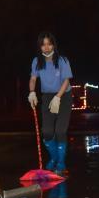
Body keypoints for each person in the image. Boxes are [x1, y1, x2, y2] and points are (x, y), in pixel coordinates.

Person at [28, 32, 73, 174]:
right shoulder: (37, 61)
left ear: (53, 44)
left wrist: (58, 97)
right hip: (47, 97)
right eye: (43, 44)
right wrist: (32, 92)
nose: (46, 47)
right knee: (47, 132)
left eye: (49, 44)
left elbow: (66, 80)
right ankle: (54, 158)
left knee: (60, 131)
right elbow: (33, 79)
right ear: (40, 47)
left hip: (63, 96)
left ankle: (61, 163)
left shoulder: (62, 60)